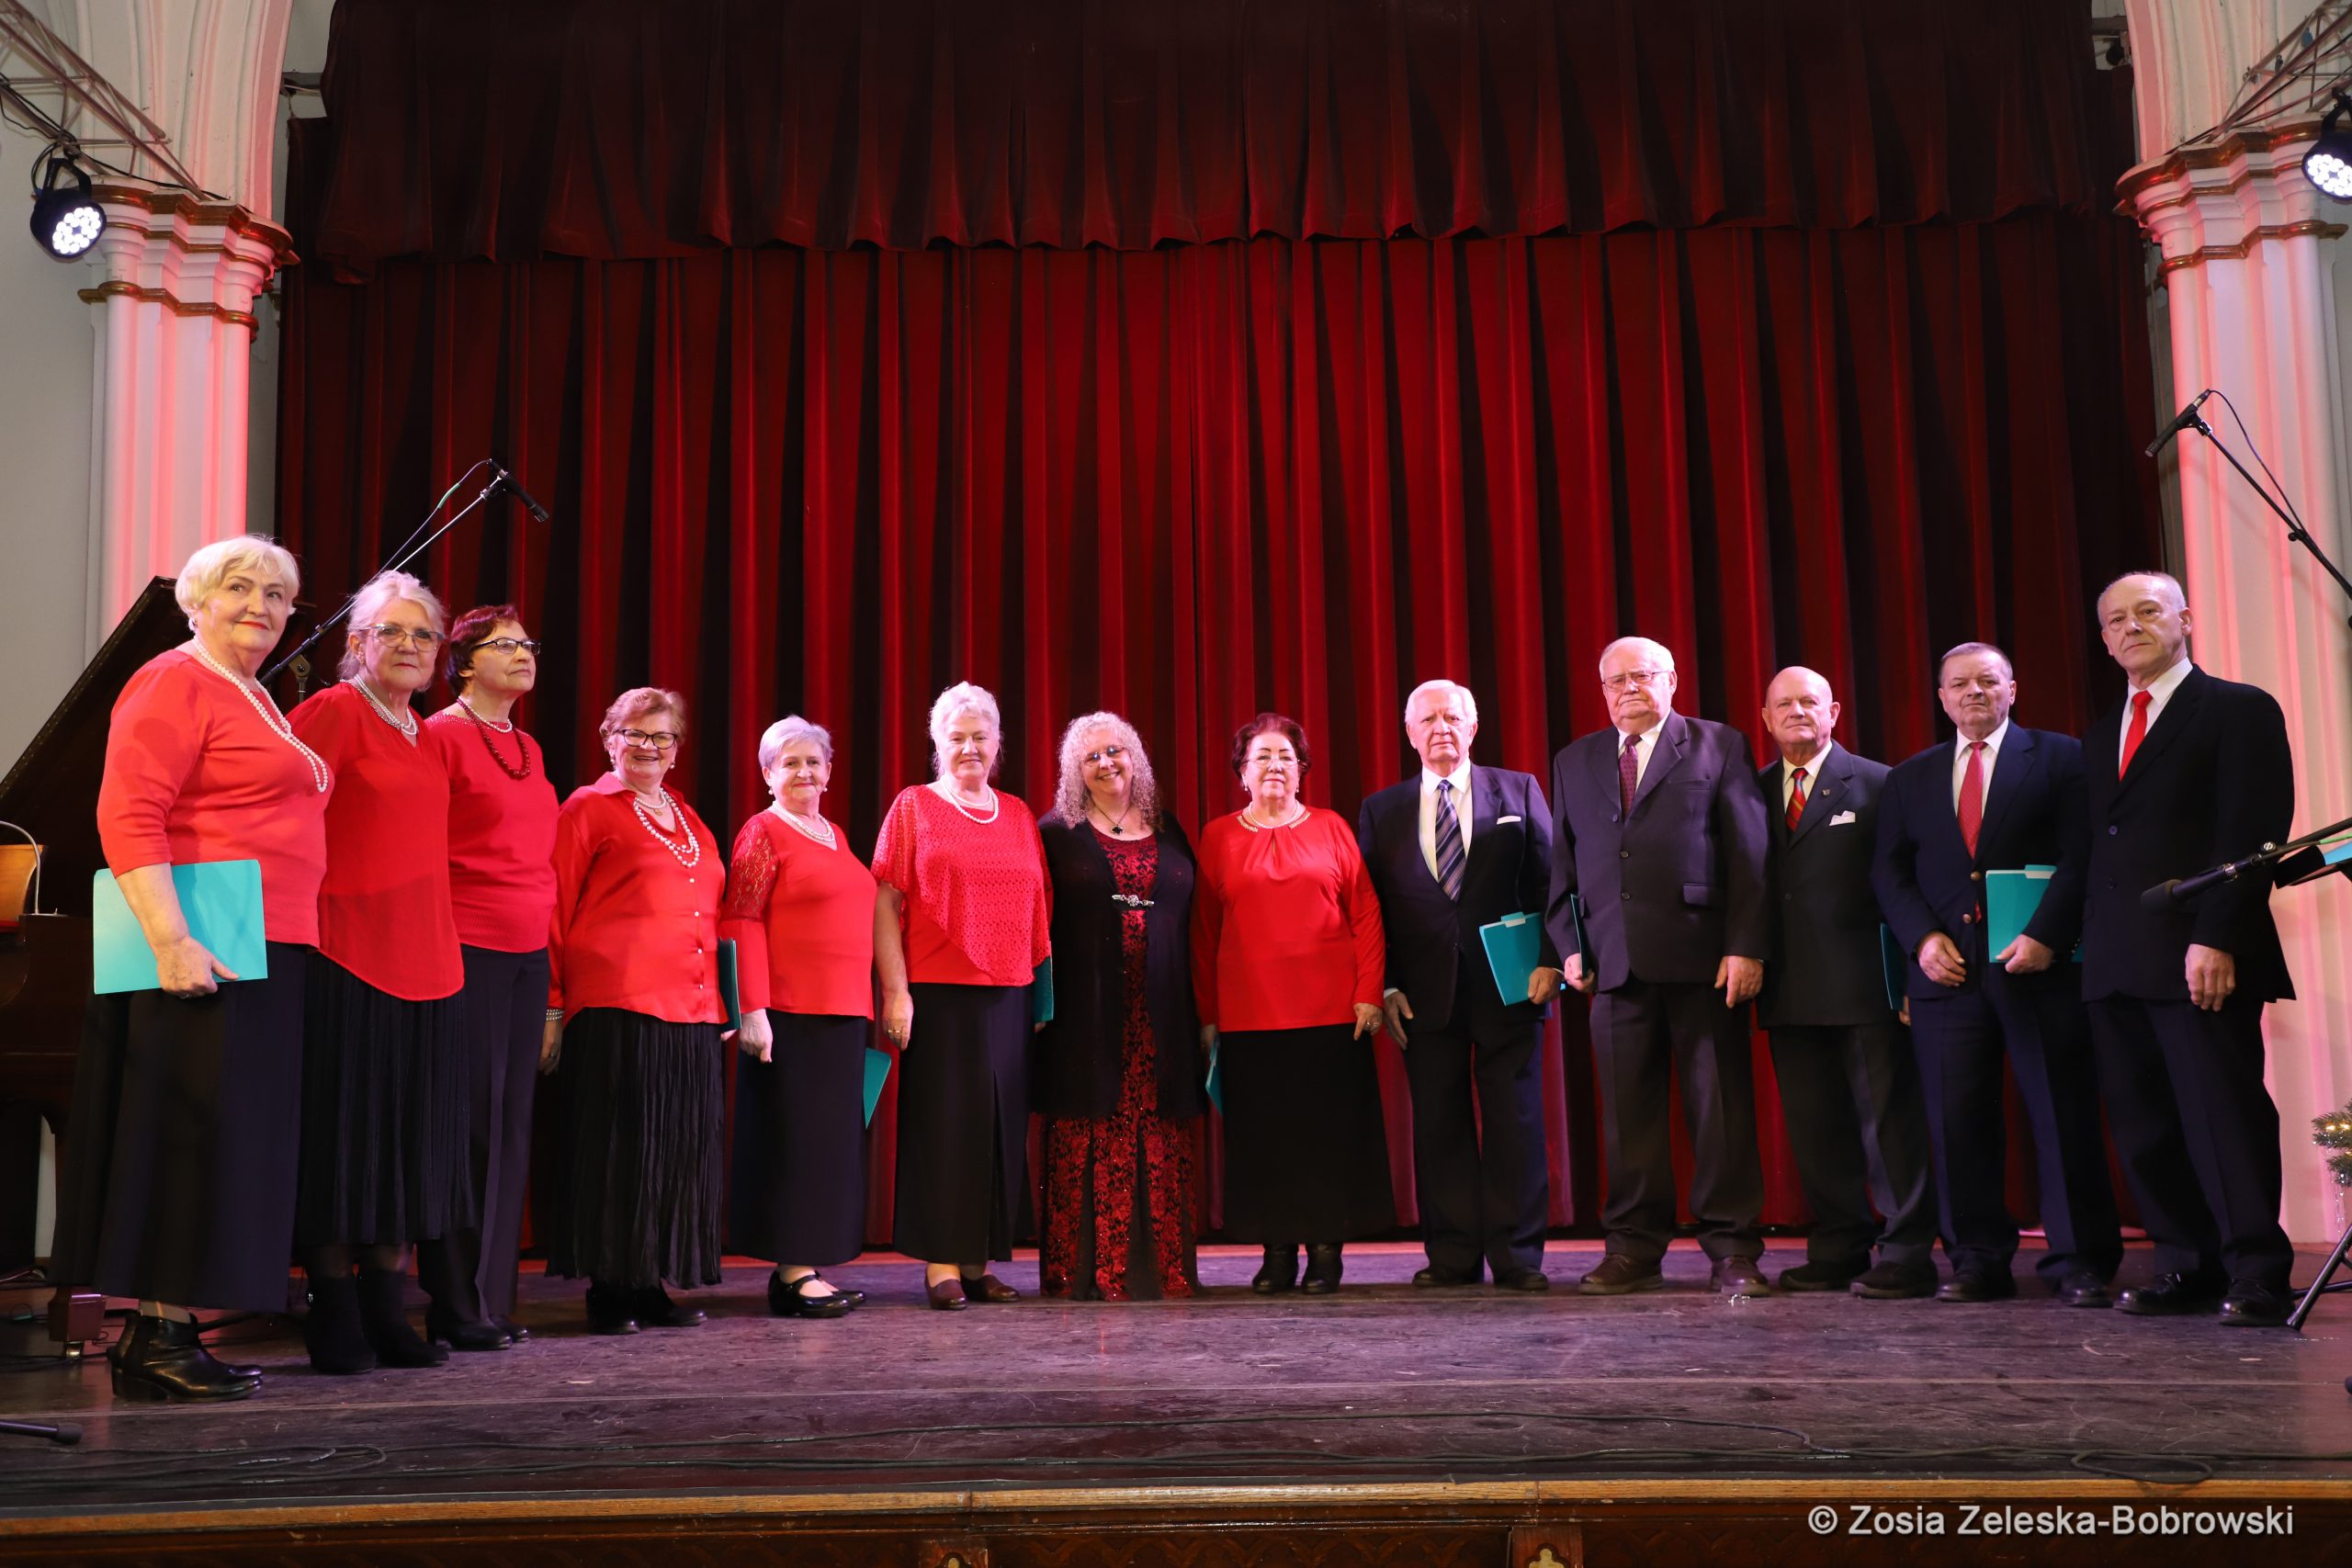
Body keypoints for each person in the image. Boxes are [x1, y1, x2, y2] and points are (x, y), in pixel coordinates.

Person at [55, 536, 332, 1401]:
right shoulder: (174, 679)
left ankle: (162, 1332)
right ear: (198, 601)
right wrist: (171, 939)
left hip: (262, 941)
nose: (260, 605)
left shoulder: (253, 691)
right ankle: (159, 1333)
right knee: (188, 1139)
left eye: (277, 594)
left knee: (224, 1142)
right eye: (239, 587)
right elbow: (129, 812)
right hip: (205, 941)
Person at [1871, 642, 2120, 1306]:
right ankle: (1976, 1259)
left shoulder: (2062, 757)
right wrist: (1922, 939)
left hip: (2039, 969)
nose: (1974, 692)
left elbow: (2083, 855)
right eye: (1960, 684)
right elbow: (1889, 872)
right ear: (1942, 697)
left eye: (1988, 680)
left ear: (2013, 689)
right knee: (1957, 1124)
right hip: (1945, 977)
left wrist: (2046, 935)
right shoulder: (1911, 776)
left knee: (2062, 1114)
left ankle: (2079, 1261)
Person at [2083, 572, 2297, 1326]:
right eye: (2116, 619)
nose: (2131, 626)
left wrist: (2215, 934)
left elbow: (2253, 833)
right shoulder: (2102, 731)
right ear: (2105, 639)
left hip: (2201, 955)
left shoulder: (2238, 708)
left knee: (2224, 1119)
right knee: (2146, 1127)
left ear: (2186, 620)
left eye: (2148, 611)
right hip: (2116, 962)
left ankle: (2258, 1273)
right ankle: (2185, 1264)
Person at [1544, 637, 1771, 1296]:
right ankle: (1633, 1249)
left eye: (1642, 676)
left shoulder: (1718, 744)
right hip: (1613, 963)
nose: (1629, 689)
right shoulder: (1574, 759)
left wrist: (1746, 945)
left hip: (1704, 960)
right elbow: (1563, 865)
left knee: (1719, 1110)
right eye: (1615, 681)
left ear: (1671, 680)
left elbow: (1750, 853)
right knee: (1628, 1118)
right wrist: (1569, 944)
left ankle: (1733, 1248)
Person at [286, 570, 469, 1374]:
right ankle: (333, 1313)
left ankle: (388, 1312)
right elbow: (284, 818)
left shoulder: (426, 732)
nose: (408, 645)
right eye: (389, 630)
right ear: (356, 642)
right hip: (345, 954)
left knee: (405, 1146)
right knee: (344, 1142)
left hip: (428, 961)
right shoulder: (330, 712)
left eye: (423, 634)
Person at [1356, 680, 1558, 1292]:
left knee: (1515, 1120)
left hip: (1512, 983)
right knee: (1438, 1124)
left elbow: (1552, 881)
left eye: (1452, 717)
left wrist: (1552, 959)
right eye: (1428, 719)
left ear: (1473, 727)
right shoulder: (1381, 809)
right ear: (1409, 733)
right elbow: (1370, 907)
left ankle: (1518, 1255)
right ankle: (1453, 1254)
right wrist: (1386, 983)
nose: (1441, 728)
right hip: (1422, 994)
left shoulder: (1519, 789)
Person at [544, 688, 728, 1335]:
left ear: (677, 749)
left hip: (693, 1010)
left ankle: (650, 1283)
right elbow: (553, 910)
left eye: (662, 736)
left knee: (673, 1153)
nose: (649, 746)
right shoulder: (586, 808)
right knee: (622, 1151)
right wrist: (551, 1007)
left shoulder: (690, 818)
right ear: (609, 740)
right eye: (635, 733)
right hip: (619, 1005)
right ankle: (610, 1287)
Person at [1753, 666, 1938, 1299]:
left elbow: (1908, 881)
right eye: (1784, 703)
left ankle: (1907, 1252)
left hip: (1868, 984)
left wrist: (1911, 969)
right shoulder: (1751, 791)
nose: (1797, 711)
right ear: (1766, 718)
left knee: (1889, 1127)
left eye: (1810, 701)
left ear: (1833, 711)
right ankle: (1838, 1246)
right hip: (1787, 986)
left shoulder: (1882, 783)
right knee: (1817, 1129)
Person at [1193, 713, 1391, 1294]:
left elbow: (1366, 914)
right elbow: (1202, 932)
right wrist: (1207, 1015)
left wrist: (1369, 994)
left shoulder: (1332, 827)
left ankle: (1325, 1252)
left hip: (1333, 1016)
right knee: (1265, 1141)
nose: (1275, 766)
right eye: (1262, 757)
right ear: (1242, 772)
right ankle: (1276, 1252)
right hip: (1249, 1018)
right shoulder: (1217, 836)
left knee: (1326, 1139)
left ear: (1302, 770)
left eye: (1286, 756)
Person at [871, 682, 1052, 1310]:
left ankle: (978, 1261)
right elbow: (885, 903)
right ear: (937, 744)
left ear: (998, 743)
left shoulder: (1019, 813)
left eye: (981, 736)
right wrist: (896, 991)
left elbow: (1039, 911)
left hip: (1010, 995)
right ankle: (941, 1263)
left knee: (998, 1128)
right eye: (957, 738)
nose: (970, 747)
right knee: (945, 1128)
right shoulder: (914, 806)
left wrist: (1039, 998)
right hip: (939, 995)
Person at [415, 607, 560, 1350]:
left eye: (527, 643)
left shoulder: (529, 747)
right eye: (506, 644)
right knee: (469, 1124)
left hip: (528, 951)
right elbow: (421, 849)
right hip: (466, 946)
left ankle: (493, 1298)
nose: (524, 653)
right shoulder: (440, 736)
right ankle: (455, 1301)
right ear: (465, 661)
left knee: (510, 1126)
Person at [1035, 713, 1204, 1301]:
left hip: (1163, 1013)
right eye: (1092, 757)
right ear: (1073, 772)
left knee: (1159, 1131)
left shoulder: (1168, 827)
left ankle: (1164, 1270)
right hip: (1085, 1015)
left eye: (1116, 751)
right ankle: (1082, 1271)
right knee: (1088, 1127)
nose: (1107, 763)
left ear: (1136, 758)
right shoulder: (1056, 833)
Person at [721, 716, 877, 1319]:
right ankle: (793, 1274)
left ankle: (807, 1266)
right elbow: (740, 918)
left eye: (813, 762)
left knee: (826, 1148)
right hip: (789, 1014)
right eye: (790, 763)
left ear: (830, 772)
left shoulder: (833, 833)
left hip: (842, 1012)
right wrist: (752, 1008)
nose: (804, 773)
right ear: (767, 773)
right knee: (794, 1145)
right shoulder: (762, 831)